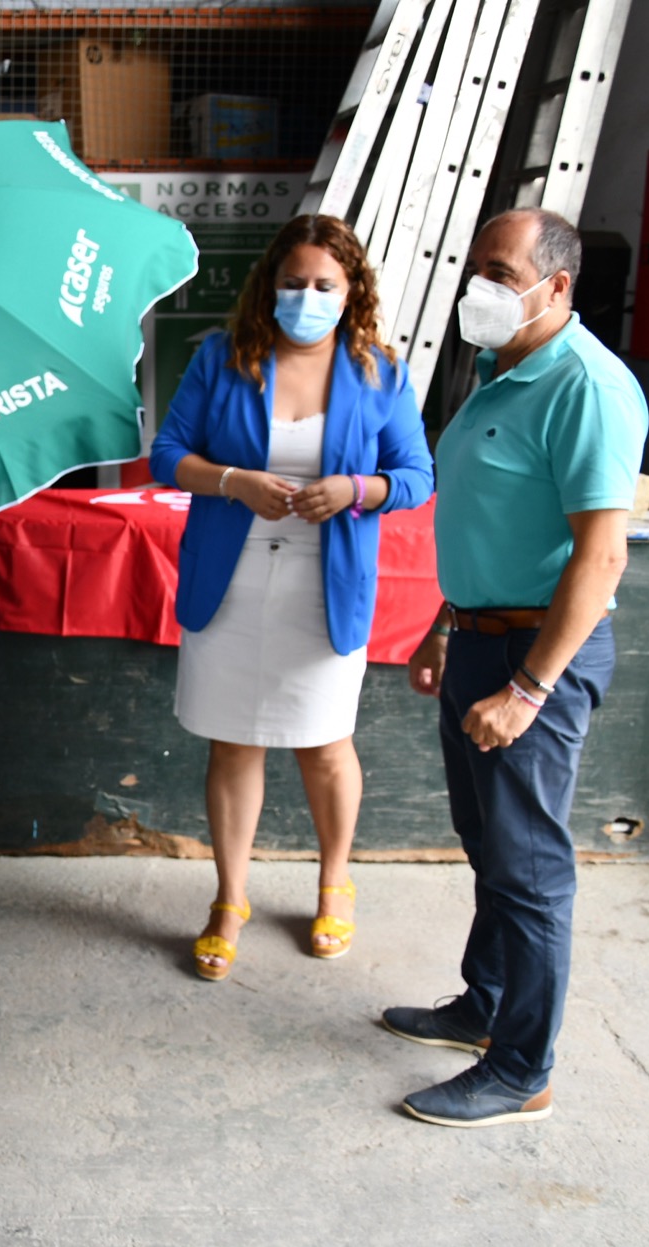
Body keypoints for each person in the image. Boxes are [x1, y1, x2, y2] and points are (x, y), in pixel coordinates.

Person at [387, 208, 646, 1128]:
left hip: (536, 655)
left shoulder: (586, 386)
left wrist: (529, 687)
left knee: (529, 866)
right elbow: (488, 521)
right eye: (478, 269)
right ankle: (486, 1005)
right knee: (489, 843)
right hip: (478, 637)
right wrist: (443, 626)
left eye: (501, 271)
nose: (481, 288)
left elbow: (601, 556)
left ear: (557, 285)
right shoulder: (500, 373)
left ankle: (521, 1069)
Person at [150, 214, 433, 982]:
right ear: (269, 285)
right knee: (233, 742)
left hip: (326, 584)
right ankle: (230, 898)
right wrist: (232, 481)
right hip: (231, 581)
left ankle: (334, 883)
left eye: (324, 285)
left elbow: (417, 476)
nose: (307, 297)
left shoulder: (381, 373)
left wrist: (357, 490)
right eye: (293, 282)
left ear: (351, 291)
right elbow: (168, 454)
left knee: (325, 743)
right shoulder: (223, 357)